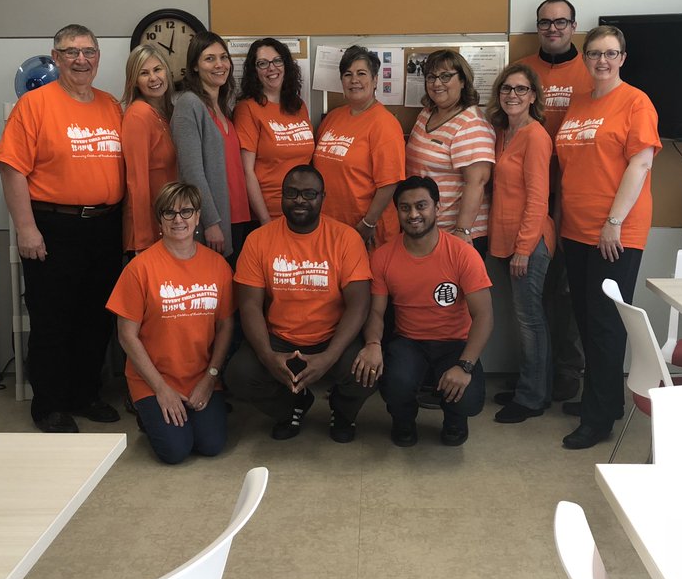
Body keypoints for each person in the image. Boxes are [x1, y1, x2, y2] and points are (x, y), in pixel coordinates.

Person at [0, 23, 123, 433]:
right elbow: (11, 169)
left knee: (96, 318)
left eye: (88, 52)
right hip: (53, 227)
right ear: (56, 56)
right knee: (52, 320)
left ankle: (85, 394)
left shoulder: (110, 105)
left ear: (98, 57)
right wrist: (26, 229)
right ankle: (48, 404)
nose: (81, 59)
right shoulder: (34, 105)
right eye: (71, 52)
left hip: (105, 226)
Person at [556, 25, 660, 450]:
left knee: (603, 324)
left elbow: (640, 165)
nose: (602, 60)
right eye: (595, 53)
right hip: (576, 230)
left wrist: (613, 222)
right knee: (585, 317)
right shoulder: (579, 103)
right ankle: (605, 401)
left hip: (614, 232)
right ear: (585, 58)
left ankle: (598, 420)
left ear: (622, 57)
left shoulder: (636, 101)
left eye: (611, 53)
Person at [224, 164, 374, 443]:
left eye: (309, 194)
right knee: (239, 376)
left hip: (331, 337)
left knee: (366, 371)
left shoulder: (345, 238)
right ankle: (291, 407)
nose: (300, 200)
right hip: (279, 337)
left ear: (322, 197)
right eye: (291, 193)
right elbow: (249, 306)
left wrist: (328, 357)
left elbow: (359, 305)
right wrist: (269, 357)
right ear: (281, 196)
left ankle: (343, 413)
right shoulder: (259, 240)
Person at [106, 182, 234, 465]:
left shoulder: (218, 266)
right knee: (176, 452)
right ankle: (147, 411)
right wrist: (160, 389)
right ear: (159, 219)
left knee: (211, 445)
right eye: (169, 212)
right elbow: (127, 335)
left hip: (201, 376)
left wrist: (210, 378)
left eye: (186, 211)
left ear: (198, 217)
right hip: (153, 379)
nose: (178, 219)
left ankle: (183, 415)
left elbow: (226, 326)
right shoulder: (140, 269)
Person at [360, 176, 493, 447]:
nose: (413, 214)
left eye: (421, 206)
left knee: (468, 397)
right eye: (405, 208)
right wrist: (373, 344)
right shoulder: (383, 257)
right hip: (409, 341)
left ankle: (455, 421)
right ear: (397, 211)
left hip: (455, 343)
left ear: (437, 207)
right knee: (395, 382)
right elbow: (375, 312)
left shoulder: (462, 254)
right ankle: (404, 421)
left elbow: (484, 316)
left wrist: (465, 366)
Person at [518, 0, 593, 402]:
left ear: (573, 25)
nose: (553, 28)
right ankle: (537, 375)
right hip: (531, 192)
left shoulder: (591, 70)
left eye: (561, 22)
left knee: (566, 291)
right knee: (533, 293)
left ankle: (569, 371)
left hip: (574, 194)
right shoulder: (526, 68)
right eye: (545, 22)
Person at [486, 64, 556, 424]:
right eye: (506, 89)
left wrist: (524, 248)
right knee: (522, 319)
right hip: (505, 239)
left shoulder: (536, 136)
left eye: (521, 89)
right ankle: (529, 385)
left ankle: (532, 398)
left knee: (530, 321)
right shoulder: (503, 133)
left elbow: (538, 199)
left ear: (533, 96)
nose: (512, 95)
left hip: (528, 243)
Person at [312, 45, 405, 249]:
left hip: (367, 230)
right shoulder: (333, 118)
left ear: (375, 80)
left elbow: (389, 183)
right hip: (331, 227)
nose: (354, 80)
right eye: (348, 74)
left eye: (361, 73)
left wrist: (367, 223)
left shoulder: (384, 124)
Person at [170, 31, 252, 261]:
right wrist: (211, 222)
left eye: (223, 57)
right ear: (195, 66)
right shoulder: (189, 104)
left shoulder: (224, 108)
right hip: (215, 223)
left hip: (238, 216)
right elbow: (191, 172)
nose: (219, 64)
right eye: (209, 58)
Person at [405, 49, 494, 252]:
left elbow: (476, 182)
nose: (437, 83)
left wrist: (463, 231)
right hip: (428, 230)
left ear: (462, 81)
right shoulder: (426, 114)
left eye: (446, 76)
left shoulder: (471, 123)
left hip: (456, 235)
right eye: (431, 77)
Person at [234, 37, 314, 223]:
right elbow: (247, 171)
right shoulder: (247, 109)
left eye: (277, 61)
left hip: (305, 211)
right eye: (263, 63)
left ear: (286, 65)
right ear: (254, 71)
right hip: (270, 213)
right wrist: (265, 220)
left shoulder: (298, 106)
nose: (272, 68)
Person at [120, 43, 177, 253]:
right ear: (135, 81)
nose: (153, 78)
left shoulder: (165, 113)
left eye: (157, 69)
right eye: (144, 73)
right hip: (148, 231)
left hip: (168, 222)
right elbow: (136, 181)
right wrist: (143, 240)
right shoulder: (138, 114)